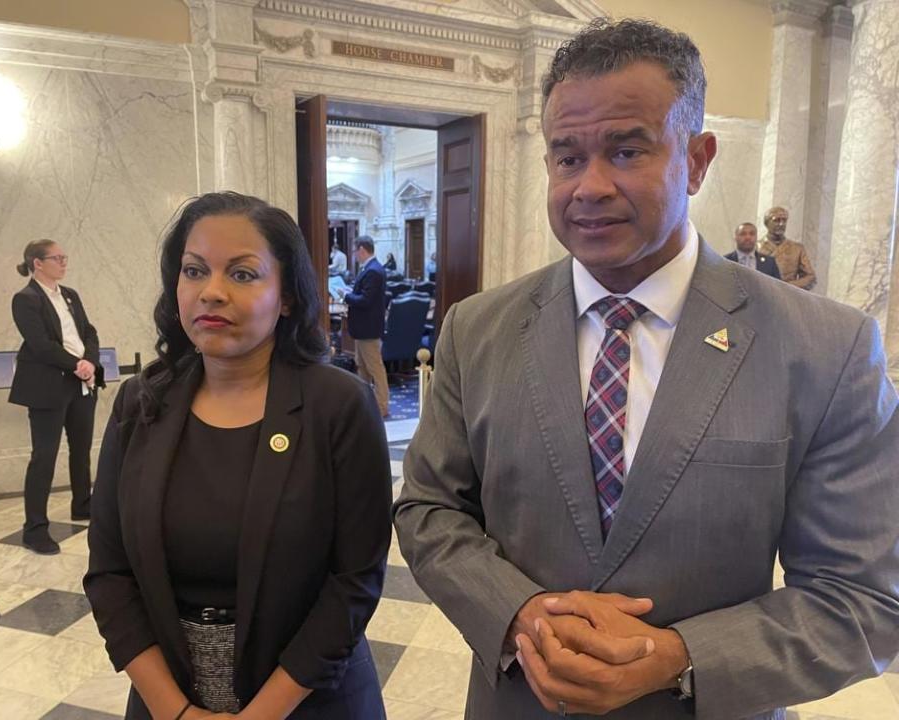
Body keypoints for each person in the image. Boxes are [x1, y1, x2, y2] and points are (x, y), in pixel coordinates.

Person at [394, 18, 899, 720]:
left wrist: (682, 658)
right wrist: (520, 614)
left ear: (696, 160)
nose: (589, 186)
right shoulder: (476, 330)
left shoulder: (824, 347)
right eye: (567, 158)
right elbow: (428, 509)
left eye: (627, 150)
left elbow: (863, 599)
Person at [84, 192, 391, 720]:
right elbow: (109, 575)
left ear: (287, 295)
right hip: (168, 698)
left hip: (310, 699)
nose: (212, 293)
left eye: (243, 274)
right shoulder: (140, 402)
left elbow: (354, 582)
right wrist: (174, 710)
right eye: (194, 271)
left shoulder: (338, 405)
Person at [9, 239, 103, 555]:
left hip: (81, 382)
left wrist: (90, 361)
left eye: (65, 257)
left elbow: (88, 331)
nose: (64, 262)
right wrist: (76, 364)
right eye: (57, 258)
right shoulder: (25, 299)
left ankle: (83, 505)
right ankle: (34, 529)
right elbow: (40, 344)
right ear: (37, 263)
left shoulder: (70, 295)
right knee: (44, 457)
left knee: (81, 450)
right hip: (48, 385)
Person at [339, 236, 389, 417]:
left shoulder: (373, 271)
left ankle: (382, 406)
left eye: (355, 251)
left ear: (362, 249)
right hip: (363, 329)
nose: (354, 255)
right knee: (363, 366)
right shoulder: (370, 269)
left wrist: (346, 296)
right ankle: (365, 402)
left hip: (368, 329)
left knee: (375, 367)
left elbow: (366, 301)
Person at [757, 206, 816, 290]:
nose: (781, 224)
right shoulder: (755, 247)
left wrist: (787, 286)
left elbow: (810, 277)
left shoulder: (797, 249)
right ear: (767, 223)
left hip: (787, 296)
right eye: (776, 220)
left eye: (784, 220)